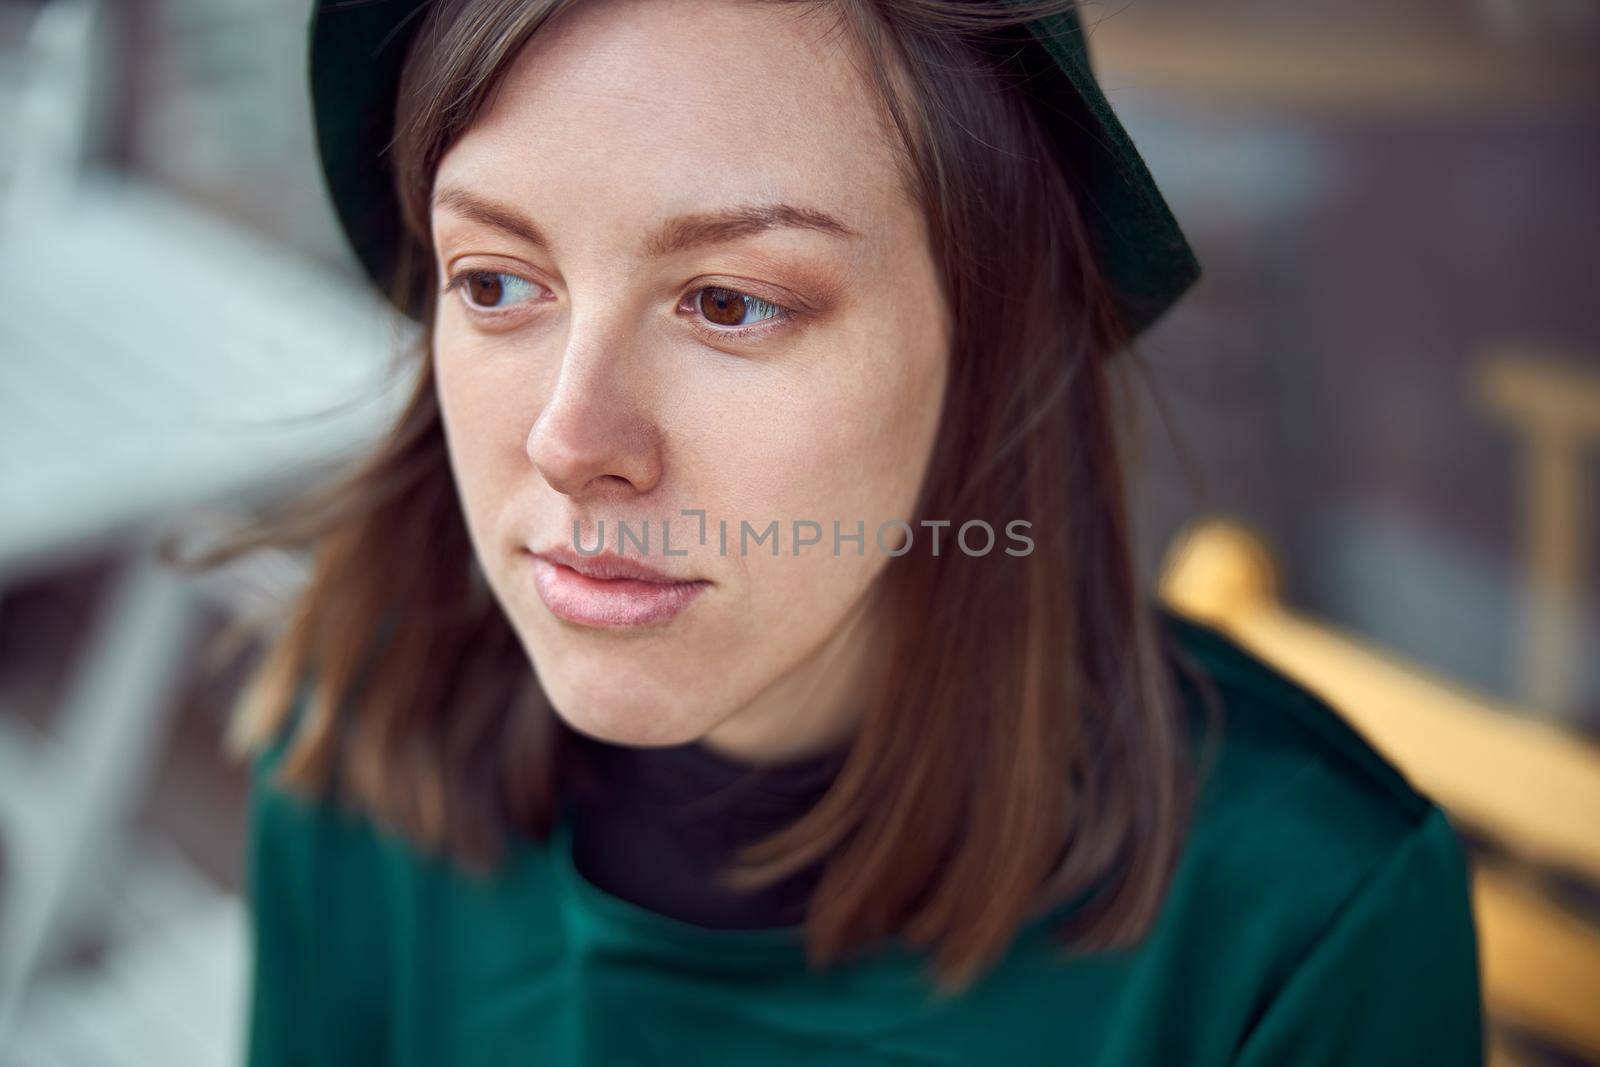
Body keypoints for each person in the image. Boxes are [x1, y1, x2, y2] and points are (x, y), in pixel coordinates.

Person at [206, 0, 1485, 1063]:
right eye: (494, 282)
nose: (567, 433)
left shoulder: (1301, 925)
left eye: (730, 301)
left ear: (989, 345)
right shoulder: (353, 744)